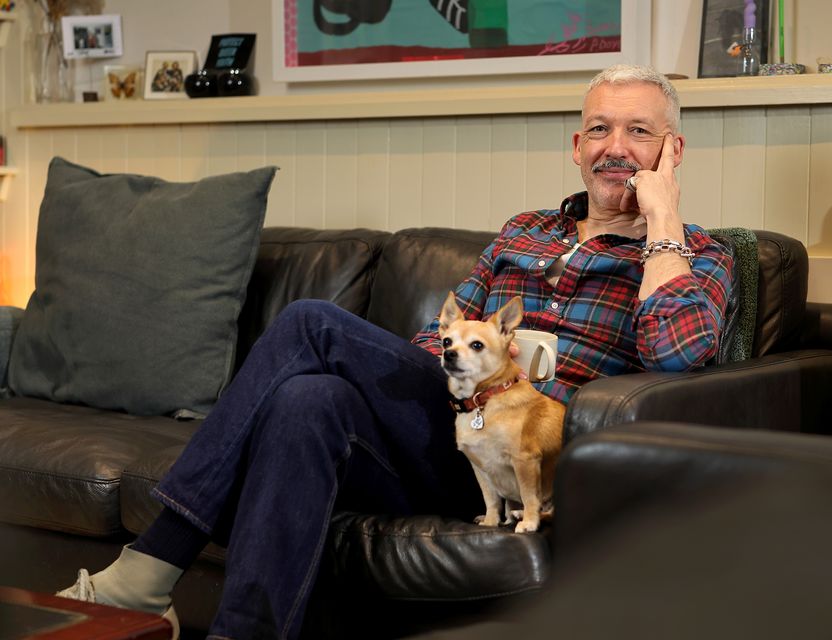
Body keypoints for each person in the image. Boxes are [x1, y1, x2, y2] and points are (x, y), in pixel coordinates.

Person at [56, 64, 734, 639]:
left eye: (639, 132)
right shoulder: (522, 233)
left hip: (527, 463)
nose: (615, 147)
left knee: (309, 326)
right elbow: (432, 343)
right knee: (307, 398)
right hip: (448, 437)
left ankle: (151, 569)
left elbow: (676, 352)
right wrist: (452, 361)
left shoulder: (699, 254)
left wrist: (662, 220)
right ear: (575, 145)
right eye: (600, 129)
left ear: (672, 150)